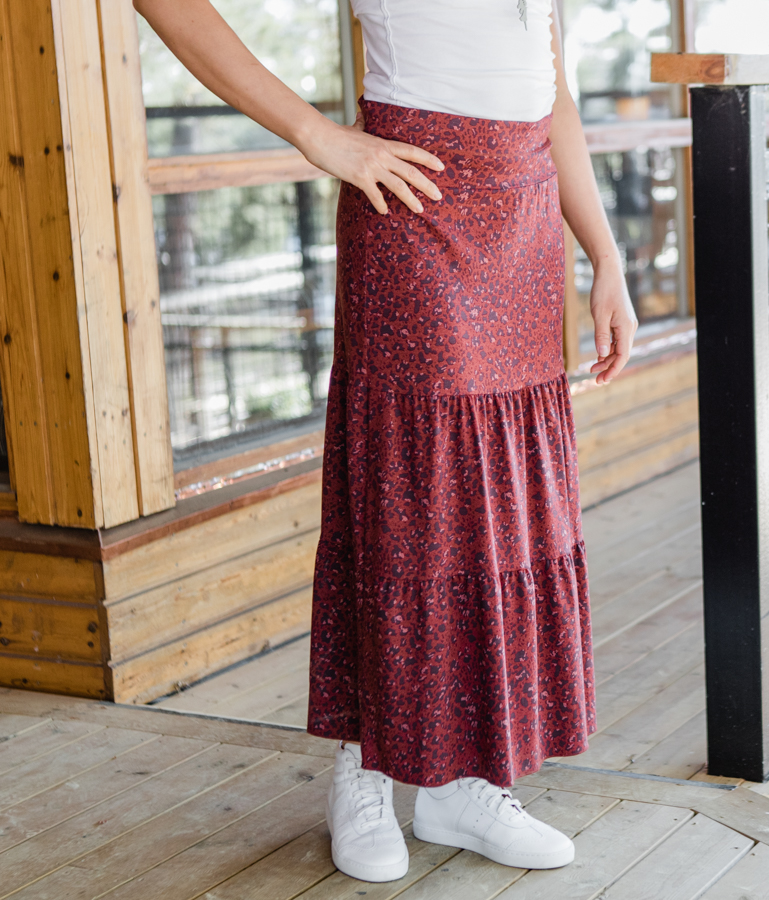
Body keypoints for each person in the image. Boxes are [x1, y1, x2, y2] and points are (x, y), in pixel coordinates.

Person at [135, 0, 637, 883]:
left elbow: (552, 90)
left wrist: (606, 256)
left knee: (499, 511)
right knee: (412, 504)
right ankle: (363, 768)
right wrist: (317, 136)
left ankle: (466, 780)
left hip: (524, 222)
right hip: (413, 204)